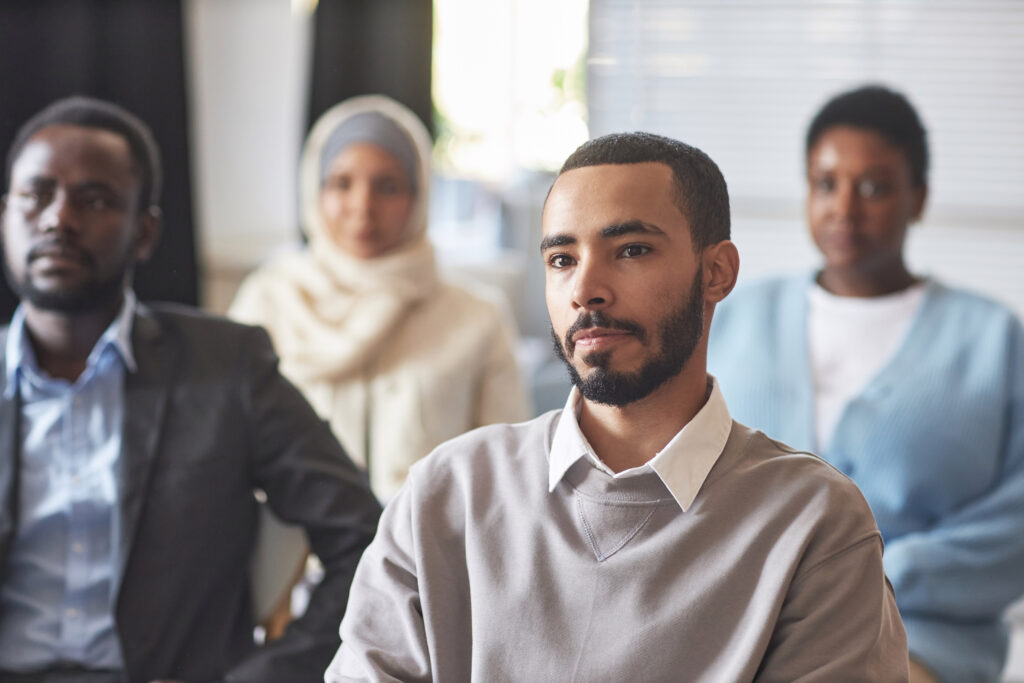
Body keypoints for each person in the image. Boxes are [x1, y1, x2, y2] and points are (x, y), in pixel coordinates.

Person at [325, 131, 909, 681]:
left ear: (716, 272)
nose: (586, 289)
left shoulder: (815, 525)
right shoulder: (444, 495)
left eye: (630, 250)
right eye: (562, 260)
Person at [0, 96, 382, 683]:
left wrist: (263, 677)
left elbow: (366, 541)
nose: (59, 218)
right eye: (36, 195)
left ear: (144, 232)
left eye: (95, 199)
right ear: (7, 213)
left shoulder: (226, 368)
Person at [708, 85, 1024, 682]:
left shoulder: (991, 337)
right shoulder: (732, 317)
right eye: (825, 184)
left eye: (874, 187)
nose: (844, 209)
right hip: (736, 620)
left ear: (919, 198)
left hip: (919, 632)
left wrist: (880, 571)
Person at [229, 95, 530, 501]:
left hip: (431, 555)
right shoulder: (269, 300)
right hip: (297, 556)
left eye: (388, 187)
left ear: (419, 194)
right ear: (314, 192)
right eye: (341, 184)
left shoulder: (476, 317)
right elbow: (229, 451)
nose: (362, 207)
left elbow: (507, 470)